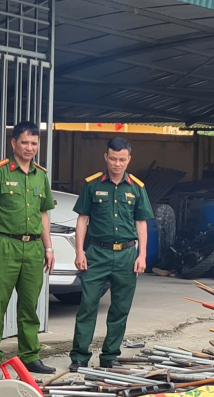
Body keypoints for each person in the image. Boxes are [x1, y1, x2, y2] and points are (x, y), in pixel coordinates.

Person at [0, 121, 57, 377]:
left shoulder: (40, 175)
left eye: (34, 143)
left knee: (29, 306)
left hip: (33, 248)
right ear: (13, 143)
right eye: (25, 142)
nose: (30, 147)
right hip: (5, 245)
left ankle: (30, 356)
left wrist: (49, 248)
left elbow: (43, 213)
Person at [68, 137, 154, 372]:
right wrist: (79, 252)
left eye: (122, 159)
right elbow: (82, 220)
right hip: (96, 253)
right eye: (113, 158)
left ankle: (110, 356)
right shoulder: (93, 185)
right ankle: (79, 357)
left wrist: (142, 255)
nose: (117, 163)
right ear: (106, 157)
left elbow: (141, 223)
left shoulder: (137, 188)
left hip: (127, 255)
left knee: (120, 308)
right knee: (87, 305)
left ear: (129, 160)